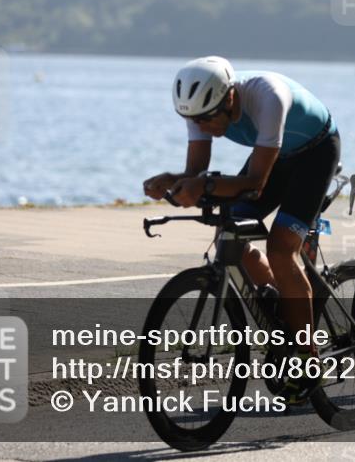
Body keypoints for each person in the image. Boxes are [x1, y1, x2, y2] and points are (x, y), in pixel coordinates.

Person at [142, 56, 339, 401]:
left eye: (207, 119)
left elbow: (255, 184)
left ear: (229, 97)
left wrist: (202, 186)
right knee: (228, 235)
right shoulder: (199, 108)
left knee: (281, 249)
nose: (201, 127)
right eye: (194, 121)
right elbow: (196, 172)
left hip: (315, 154)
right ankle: (278, 300)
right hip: (276, 154)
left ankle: (309, 361)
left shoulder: (268, 97)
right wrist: (172, 180)